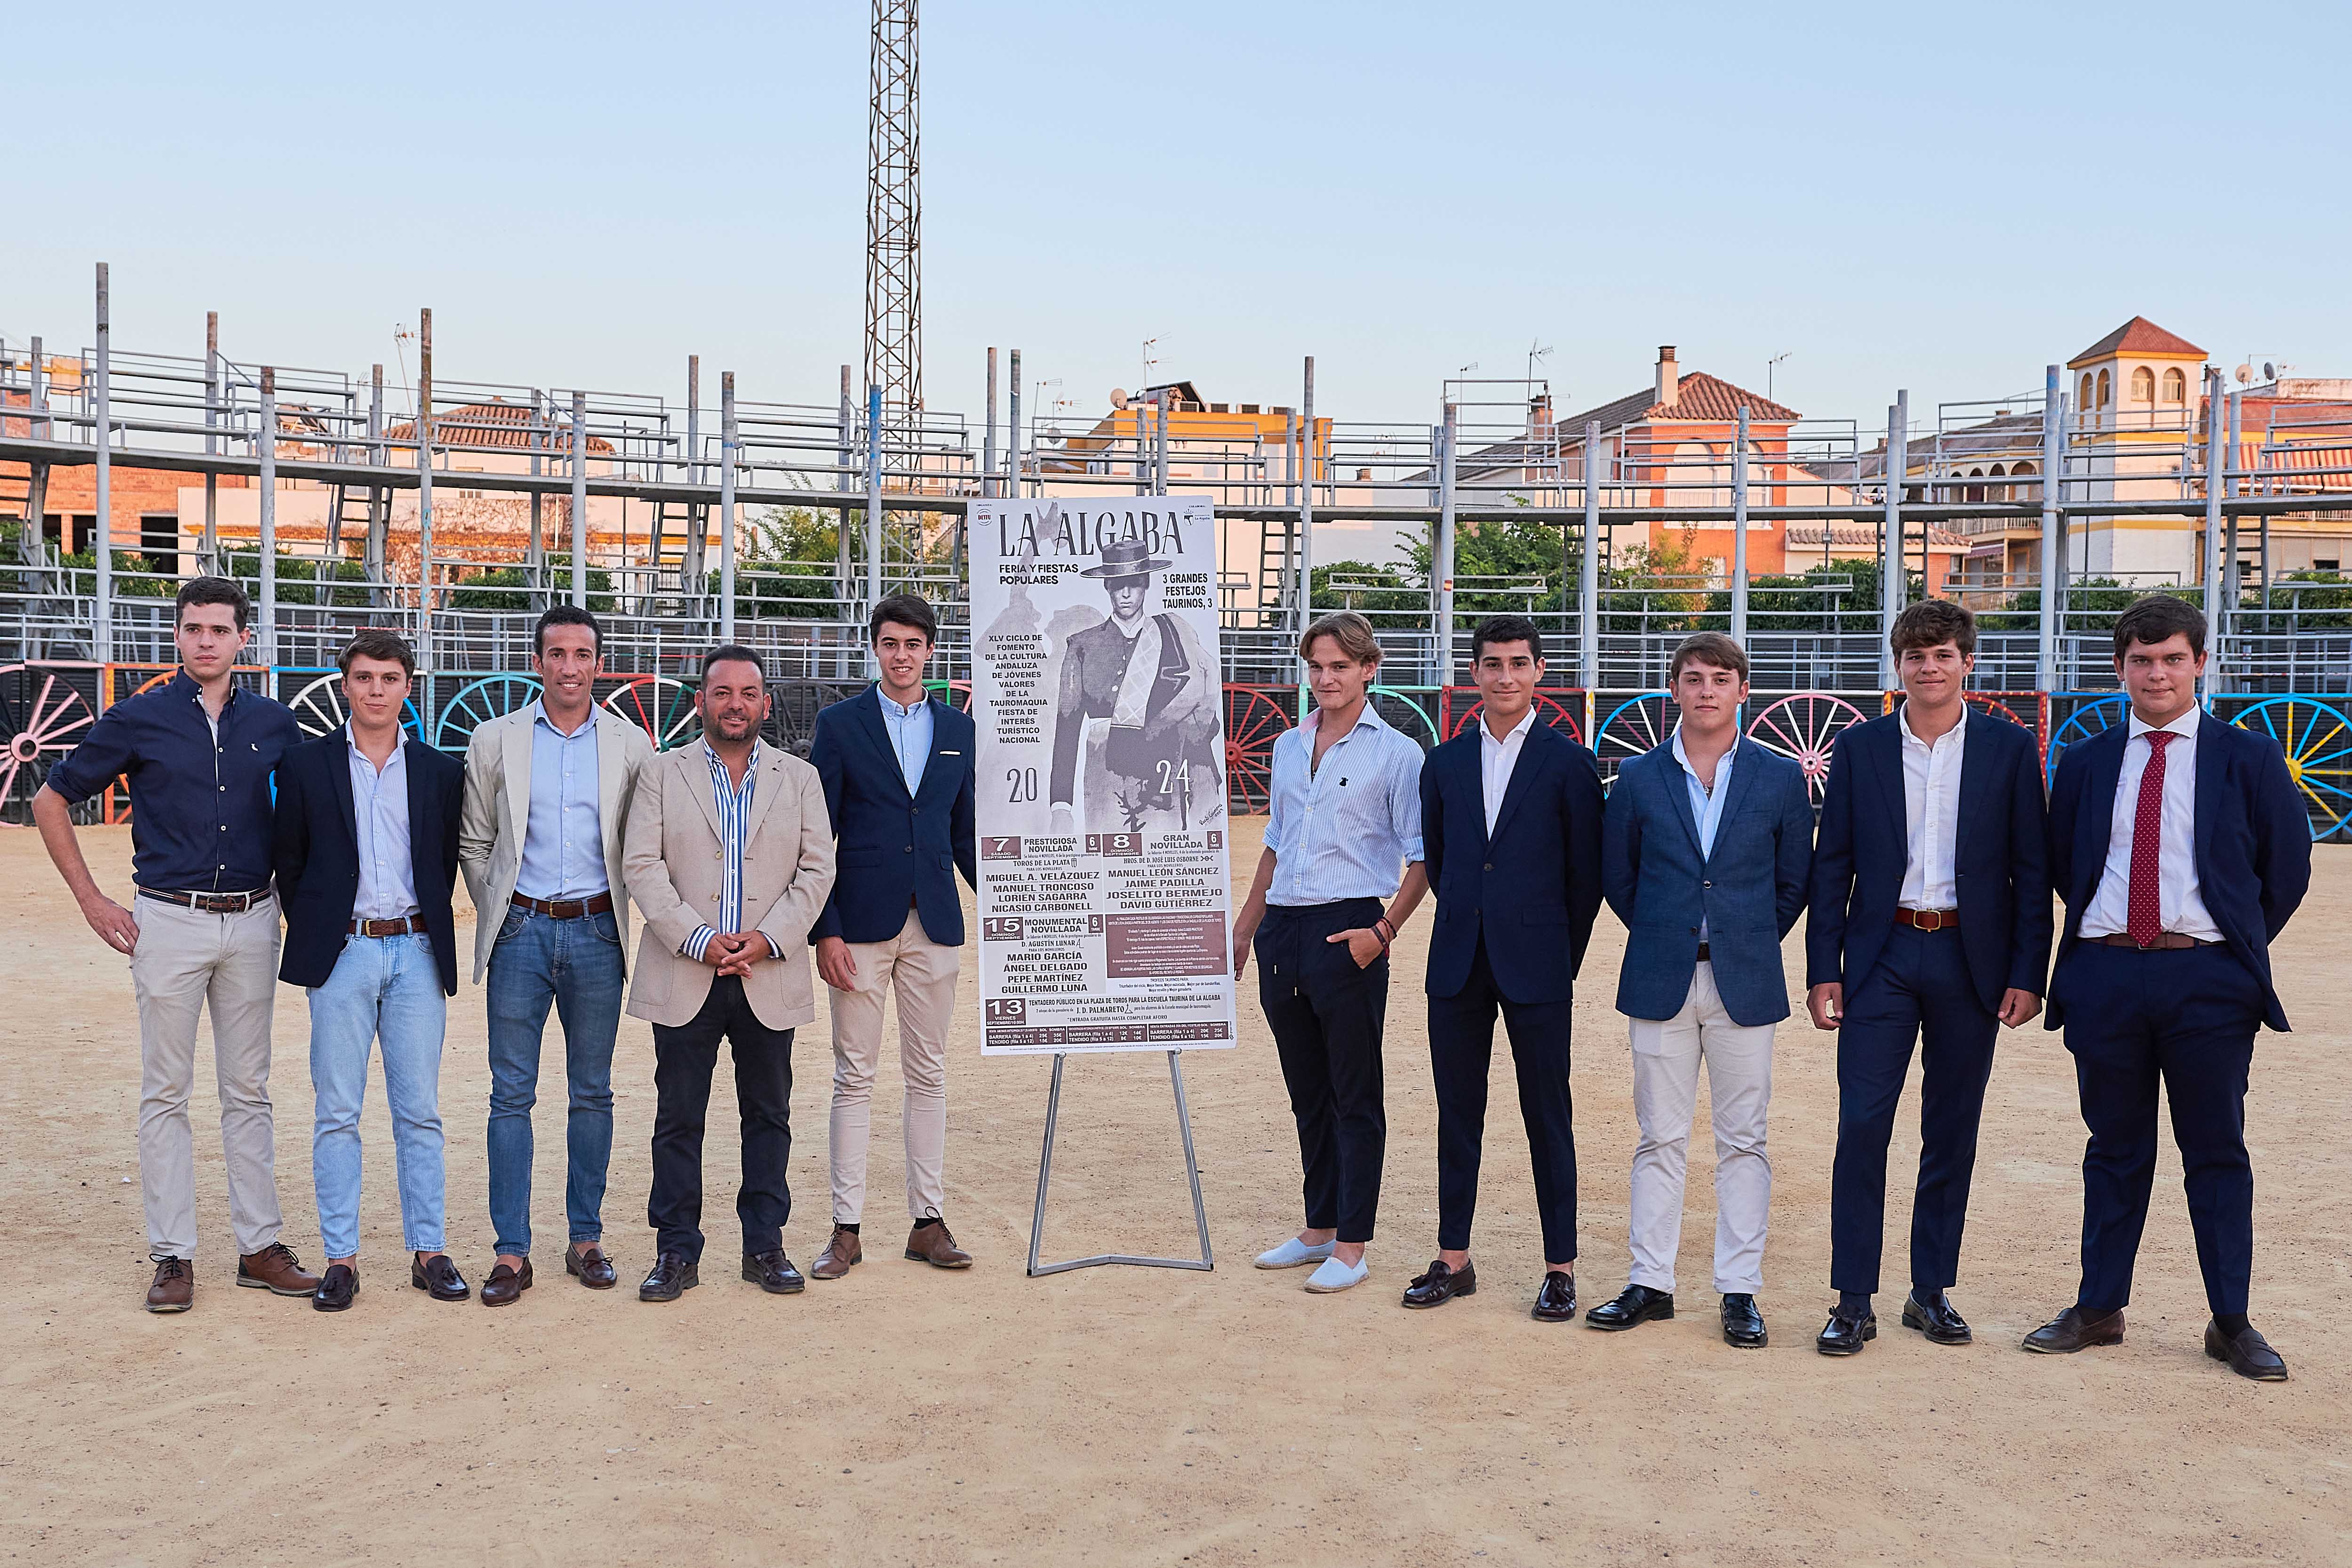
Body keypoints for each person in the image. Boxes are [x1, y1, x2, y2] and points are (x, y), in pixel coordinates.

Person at [2022, 596, 2311, 1381]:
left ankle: (2228, 1320)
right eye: (2141, 660)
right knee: (2112, 1149)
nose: (2156, 673)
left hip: (2206, 980)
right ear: (2118, 668)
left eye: (2171, 659)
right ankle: (2098, 1305)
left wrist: (2225, 949)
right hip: (2106, 975)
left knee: (2214, 1149)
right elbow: (2060, 865)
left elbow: (2284, 869)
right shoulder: (2082, 763)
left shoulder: (2246, 757)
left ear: (2197, 665)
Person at [31, 577, 318, 1312]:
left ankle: (259, 1246)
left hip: (254, 918)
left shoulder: (274, 723)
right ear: (178, 635)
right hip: (169, 919)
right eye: (193, 629)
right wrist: (91, 900)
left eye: (220, 630)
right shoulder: (137, 718)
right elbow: (50, 798)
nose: (206, 641)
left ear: (243, 639)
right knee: (165, 1091)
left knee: (247, 1090)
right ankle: (173, 1254)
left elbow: (319, 806)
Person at [1805, 600, 2051, 1354]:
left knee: (1950, 1131)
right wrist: (1825, 969)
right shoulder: (1861, 748)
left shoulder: (2009, 750)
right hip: (1880, 959)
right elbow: (1832, 865)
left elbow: (2029, 870)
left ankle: (1929, 1291)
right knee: (1861, 1127)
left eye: (1942, 654)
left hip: (1965, 960)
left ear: (1966, 662)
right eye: (1914, 656)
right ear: (1898, 666)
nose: (1927, 667)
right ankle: (1852, 1299)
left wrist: (2025, 974)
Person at [1587, 633, 1812, 1349]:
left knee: (1744, 1139)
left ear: (1741, 691)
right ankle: (1649, 1282)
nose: (1706, 690)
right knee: (1658, 1136)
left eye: (1720, 679)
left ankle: (1737, 1289)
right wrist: (1669, 932)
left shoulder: (1778, 779)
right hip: (1661, 974)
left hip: (1744, 977)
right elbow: (1618, 878)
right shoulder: (1639, 777)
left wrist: (1742, 936)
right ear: (1674, 689)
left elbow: (1792, 882)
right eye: (1693, 679)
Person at [1406, 615, 1605, 1321]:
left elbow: (1587, 877)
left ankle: (1559, 1266)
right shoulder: (1444, 763)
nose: (1504, 676)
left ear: (1538, 672)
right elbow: (1438, 858)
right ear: (1474, 675)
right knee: (1456, 1113)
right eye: (1491, 664)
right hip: (1457, 961)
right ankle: (1453, 1257)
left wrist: (1560, 956)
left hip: (1537, 964)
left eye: (1517, 664)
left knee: (1546, 1114)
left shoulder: (1568, 763)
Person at [622, 645, 835, 1303]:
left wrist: (766, 939)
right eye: (722, 693)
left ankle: (765, 1246)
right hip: (686, 969)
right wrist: (700, 939)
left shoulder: (799, 779)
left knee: (767, 1115)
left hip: (767, 972)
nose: (735, 704)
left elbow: (816, 870)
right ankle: (676, 1251)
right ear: (700, 702)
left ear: (765, 704)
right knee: (678, 1118)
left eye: (747, 693)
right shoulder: (662, 773)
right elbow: (642, 866)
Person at [456, 605, 654, 1307]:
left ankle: (585, 1240)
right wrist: (502, 915)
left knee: (591, 1091)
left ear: (598, 663)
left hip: (600, 932)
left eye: (582, 654)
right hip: (521, 932)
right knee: (510, 1094)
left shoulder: (631, 745)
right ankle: (511, 1250)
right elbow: (475, 842)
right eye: (557, 653)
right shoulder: (495, 739)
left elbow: (643, 844)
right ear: (537, 661)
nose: (570, 666)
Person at [1232, 612, 1429, 1295]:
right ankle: (1317, 1226)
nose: (1325, 678)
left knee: (1354, 1091)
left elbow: (1422, 856)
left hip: (1348, 930)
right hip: (1280, 930)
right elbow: (1277, 841)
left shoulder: (1399, 754)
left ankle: (1352, 1243)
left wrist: (1382, 932)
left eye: (1339, 666)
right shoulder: (1289, 745)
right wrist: (1243, 927)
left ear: (1368, 669)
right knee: (1306, 1091)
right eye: (1315, 666)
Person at [271, 630, 467, 1312]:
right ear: (345, 684)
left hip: (414, 950)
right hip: (343, 951)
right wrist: (328, 931)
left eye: (389, 677)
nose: (376, 689)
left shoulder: (442, 772)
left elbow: (441, 865)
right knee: (337, 1112)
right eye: (363, 677)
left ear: (407, 686)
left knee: (420, 1111)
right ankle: (341, 1259)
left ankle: (429, 1250)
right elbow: (289, 866)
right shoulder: (304, 766)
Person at [807, 593, 980, 1280]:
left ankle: (927, 1222)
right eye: (889, 643)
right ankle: (845, 1229)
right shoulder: (840, 725)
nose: (901, 655)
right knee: (854, 1074)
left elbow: (963, 831)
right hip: (859, 927)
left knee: (928, 1072)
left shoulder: (959, 730)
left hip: (933, 922)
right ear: (874, 648)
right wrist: (826, 930)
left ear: (930, 651)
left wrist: (1012, 902)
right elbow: (818, 838)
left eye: (912, 643)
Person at [1047, 536, 1222, 836]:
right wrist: (1061, 806)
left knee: (1162, 860)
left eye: (1135, 584)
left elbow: (1199, 708)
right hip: (1105, 768)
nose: (1126, 594)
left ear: (1146, 584)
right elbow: (1067, 727)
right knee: (1107, 859)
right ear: (1107, 586)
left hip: (1164, 766)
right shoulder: (1081, 646)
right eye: (1117, 585)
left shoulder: (1172, 637)